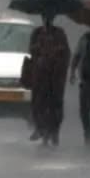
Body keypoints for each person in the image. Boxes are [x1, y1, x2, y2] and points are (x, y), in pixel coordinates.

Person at [28, 13, 70, 147]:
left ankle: (54, 132)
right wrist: (39, 49)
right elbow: (31, 50)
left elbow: (66, 53)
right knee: (38, 104)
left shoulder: (59, 33)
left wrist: (57, 53)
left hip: (55, 77)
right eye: (45, 17)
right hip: (40, 76)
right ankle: (40, 129)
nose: (47, 20)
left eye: (49, 17)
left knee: (56, 105)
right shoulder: (37, 33)